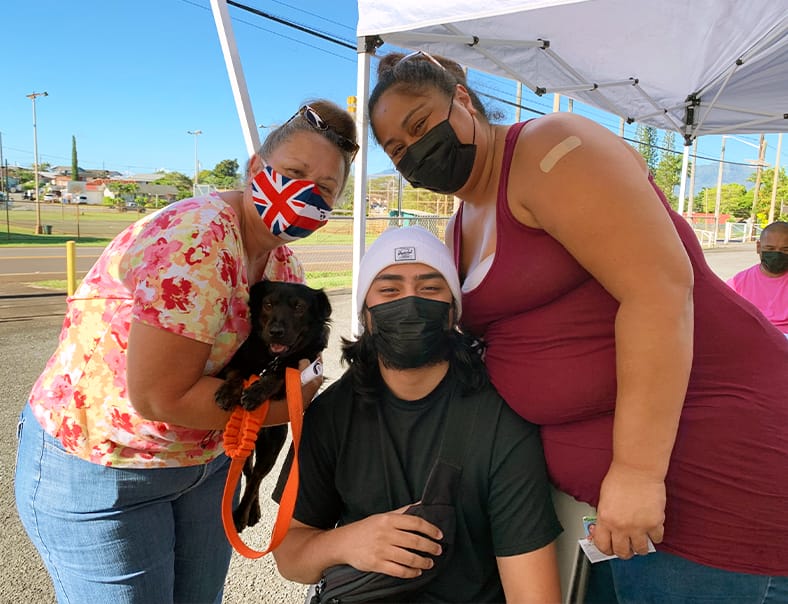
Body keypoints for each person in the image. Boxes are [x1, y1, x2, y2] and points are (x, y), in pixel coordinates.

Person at [367, 51, 788, 602]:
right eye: (396, 149)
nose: (412, 152)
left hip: (706, 476)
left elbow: (657, 289)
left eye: (420, 125)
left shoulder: (550, 151)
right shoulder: (461, 223)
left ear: (462, 100)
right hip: (612, 512)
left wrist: (636, 472)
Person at [14, 99, 358, 604]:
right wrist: (290, 405)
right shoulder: (195, 239)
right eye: (293, 172)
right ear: (255, 169)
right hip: (109, 467)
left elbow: (306, 362)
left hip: (204, 463)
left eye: (325, 189)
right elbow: (162, 396)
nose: (306, 192)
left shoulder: (284, 266)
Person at [271, 225, 562, 603]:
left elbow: (533, 593)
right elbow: (289, 556)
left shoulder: (499, 419)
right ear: (366, 313)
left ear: (452, 311)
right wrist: (347, 542)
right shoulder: (332, 414)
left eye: (429, 289)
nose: (410, 304)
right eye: (390, 290)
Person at [727, 220, 788, 334]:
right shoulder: (737, 283)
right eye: (770, 249)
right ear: (758, 247)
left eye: (785, 250)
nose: (777, 254)